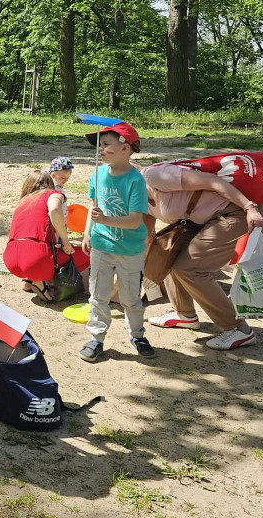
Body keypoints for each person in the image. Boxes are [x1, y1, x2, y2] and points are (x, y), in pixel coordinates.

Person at [141, 159, 263, 350]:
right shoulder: (133, 199)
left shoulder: (155, 176)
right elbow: (148, 237)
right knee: (165, 253)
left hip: (236, 213)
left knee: (190, 268)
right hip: (204, 220)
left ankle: (238, 329)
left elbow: (213, 182)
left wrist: (250, 209)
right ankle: (185, 315)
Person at [80, 123, 154, 363]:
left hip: (129, 250)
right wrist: (87, 233)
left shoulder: (135, 181)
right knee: (98, 295)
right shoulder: (97, 174)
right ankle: (96, 338)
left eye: (106, 145)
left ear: (125, 148)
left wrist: (106, 219)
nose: (100, 150)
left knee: (131, 298)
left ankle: (137, 336)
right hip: (101, 247)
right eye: (99, 145)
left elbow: (134, 222)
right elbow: (93, 208)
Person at [3, 169, 88, 300]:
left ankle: (32, 280)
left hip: (11, 260)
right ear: (50, 183)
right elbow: (54, 209)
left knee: (36, 257)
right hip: (37, 259)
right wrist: (66, 241)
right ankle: (43, 279)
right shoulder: (53, 194)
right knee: (88, 253)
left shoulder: (22, 201)